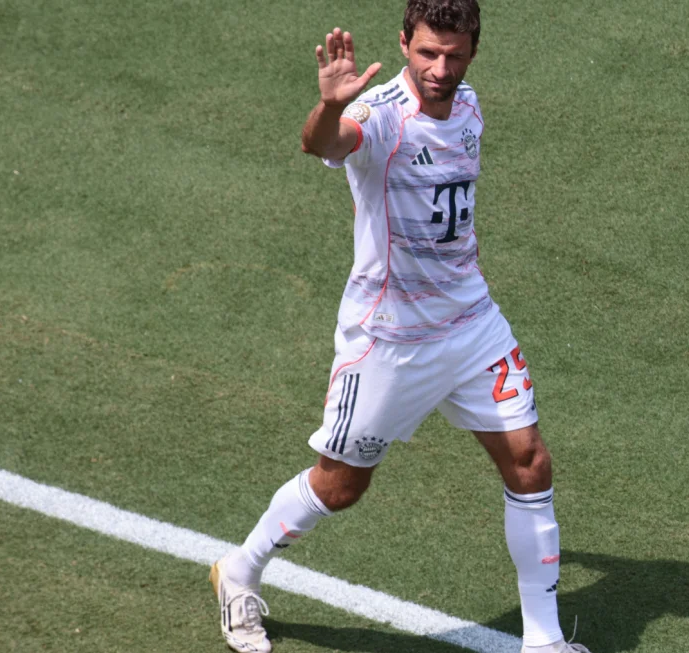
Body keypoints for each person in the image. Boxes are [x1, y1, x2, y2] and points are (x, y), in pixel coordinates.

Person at [210, 2, 589, 652]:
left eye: (454, 55)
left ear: (473, 48)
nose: (439, 69)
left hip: (471, 324)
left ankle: (544, 640)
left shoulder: (468, 106)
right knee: (340, 484)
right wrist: (331, 105)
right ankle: (238, 569)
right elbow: (323, 143)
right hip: (389, 340)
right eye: (426, 54)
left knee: (529, 463)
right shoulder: (378, 116)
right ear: (403, 43)